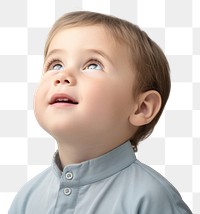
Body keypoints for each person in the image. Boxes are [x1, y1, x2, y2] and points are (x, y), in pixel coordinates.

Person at [9, 11, 192, 214]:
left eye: (93, 65)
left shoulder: (151, 199)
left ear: (142, 107)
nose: (63, 75)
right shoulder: (27, 198)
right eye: (56, 64)